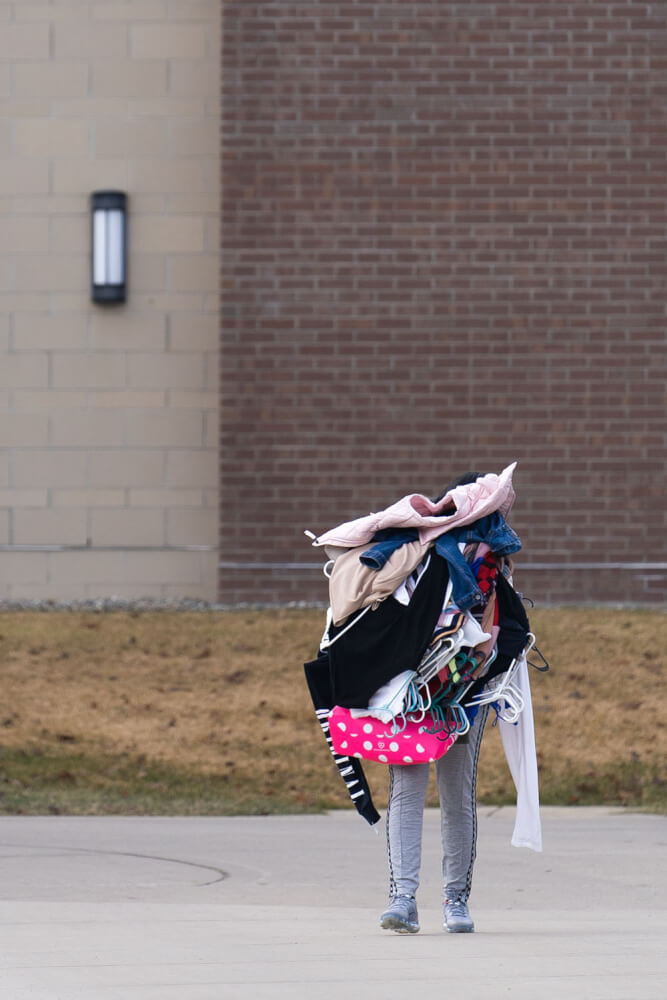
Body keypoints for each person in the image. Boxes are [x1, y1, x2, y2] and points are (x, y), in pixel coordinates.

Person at [379, 472, 491, 935]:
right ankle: (403, 899)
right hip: (411, 688)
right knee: (409, 789)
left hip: (468, 690)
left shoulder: (494, 561)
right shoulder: (416, 549)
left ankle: (455, 899)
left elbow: (502, 630)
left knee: (455, 793)